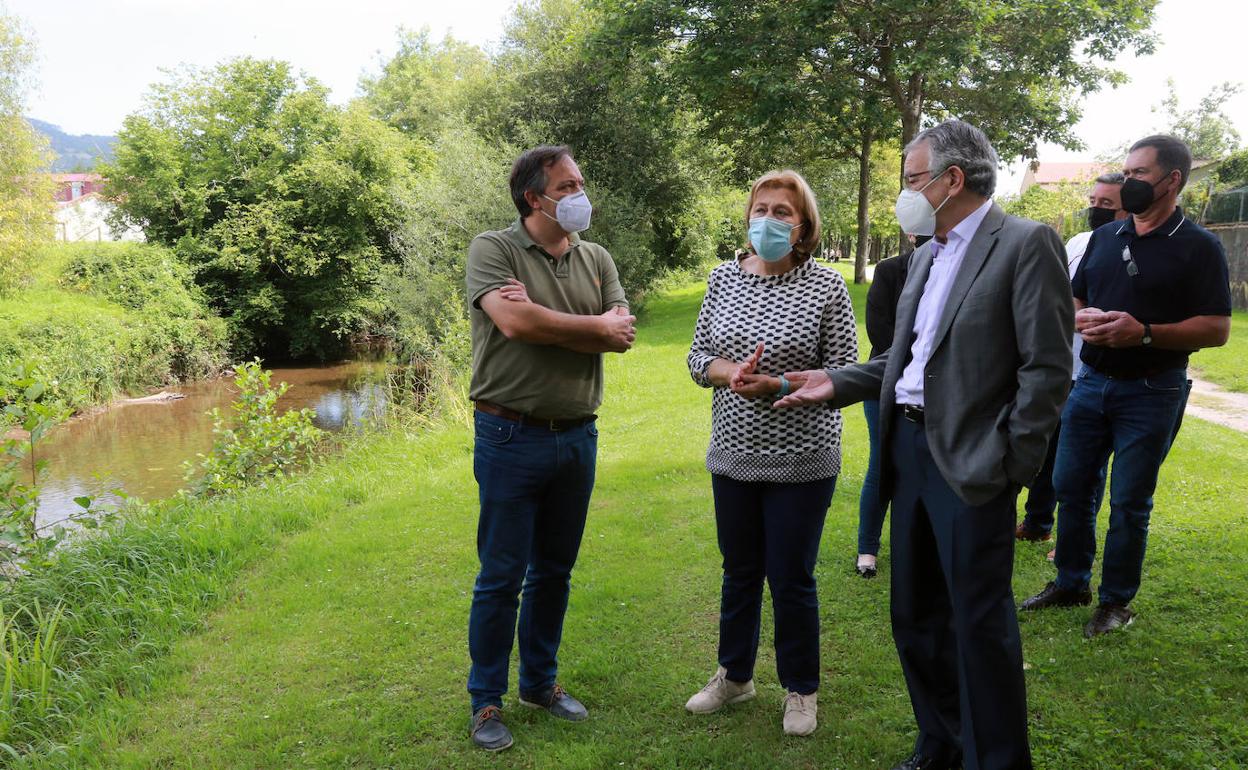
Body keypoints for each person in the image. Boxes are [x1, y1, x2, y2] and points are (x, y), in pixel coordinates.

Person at [776, 119, 1073, 770]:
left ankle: (995, 760)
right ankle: (940, 741)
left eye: (912, 179)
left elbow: (1048, 371)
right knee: (915, 618)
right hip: (906, 455)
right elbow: (903, 362)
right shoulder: (926, 252)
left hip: (973, 466)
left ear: (952, 180)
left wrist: (1007, 466)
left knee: (978, 625)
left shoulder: (1026, 244)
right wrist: (836, 379)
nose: (904, 192)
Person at [1021, 135, 1231, 637]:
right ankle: (1070, 582)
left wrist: (1146, 333)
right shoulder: (1103, 239)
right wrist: (1082, 319)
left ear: (1171, 180)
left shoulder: (1199, 247)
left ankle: (1116, 601)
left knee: (1130, 502)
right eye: (1128, 171)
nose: (1130, 181)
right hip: (1090, 383)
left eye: (1139, 174)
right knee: (1071, 487)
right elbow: (1073, 300)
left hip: (1153, 389)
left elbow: (1217, 328)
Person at [463, 144, 636, 751]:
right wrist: (589, 327)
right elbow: (516, 325)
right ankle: (486, 702)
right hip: (509, 434)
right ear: (534, 198)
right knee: (501, 576)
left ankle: (539, 682)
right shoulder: (495, 248)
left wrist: (548, 317)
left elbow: (623, 333)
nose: (579, 195)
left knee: (554, 573)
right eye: (566, 187)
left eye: (579, 184)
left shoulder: (596, 257)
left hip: (577, 436)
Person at [684, 169, 858, 737]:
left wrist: (780, 385)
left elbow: (846, 374)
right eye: (762, 209)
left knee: (790, 577)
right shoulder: (721, 280)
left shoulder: (827, 286)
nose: (769, 220)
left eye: (783, 211)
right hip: (733, 453)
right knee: (739, 571)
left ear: (804, 224)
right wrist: (730, 372)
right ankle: (735, 675)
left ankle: (801, 688)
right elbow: (697, 359)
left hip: (802, 458)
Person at [1015, 173, 1128, 545]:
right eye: (1093, 202)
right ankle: (1037, 522)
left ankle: (1074, 537)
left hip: (1097, 371)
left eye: (1106, 205)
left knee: (1086, 465)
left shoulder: (1133, 248)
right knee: (1047, 451)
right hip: (1063, 364)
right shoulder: (1079, 241)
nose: (1096, 210)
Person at [856, 238, 922, 578]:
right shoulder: (889, 270)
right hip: (885, 382)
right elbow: (879, 333)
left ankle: (915, 550)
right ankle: (867, 548)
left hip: (937, 390)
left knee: (923, 471)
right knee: (881, 464)